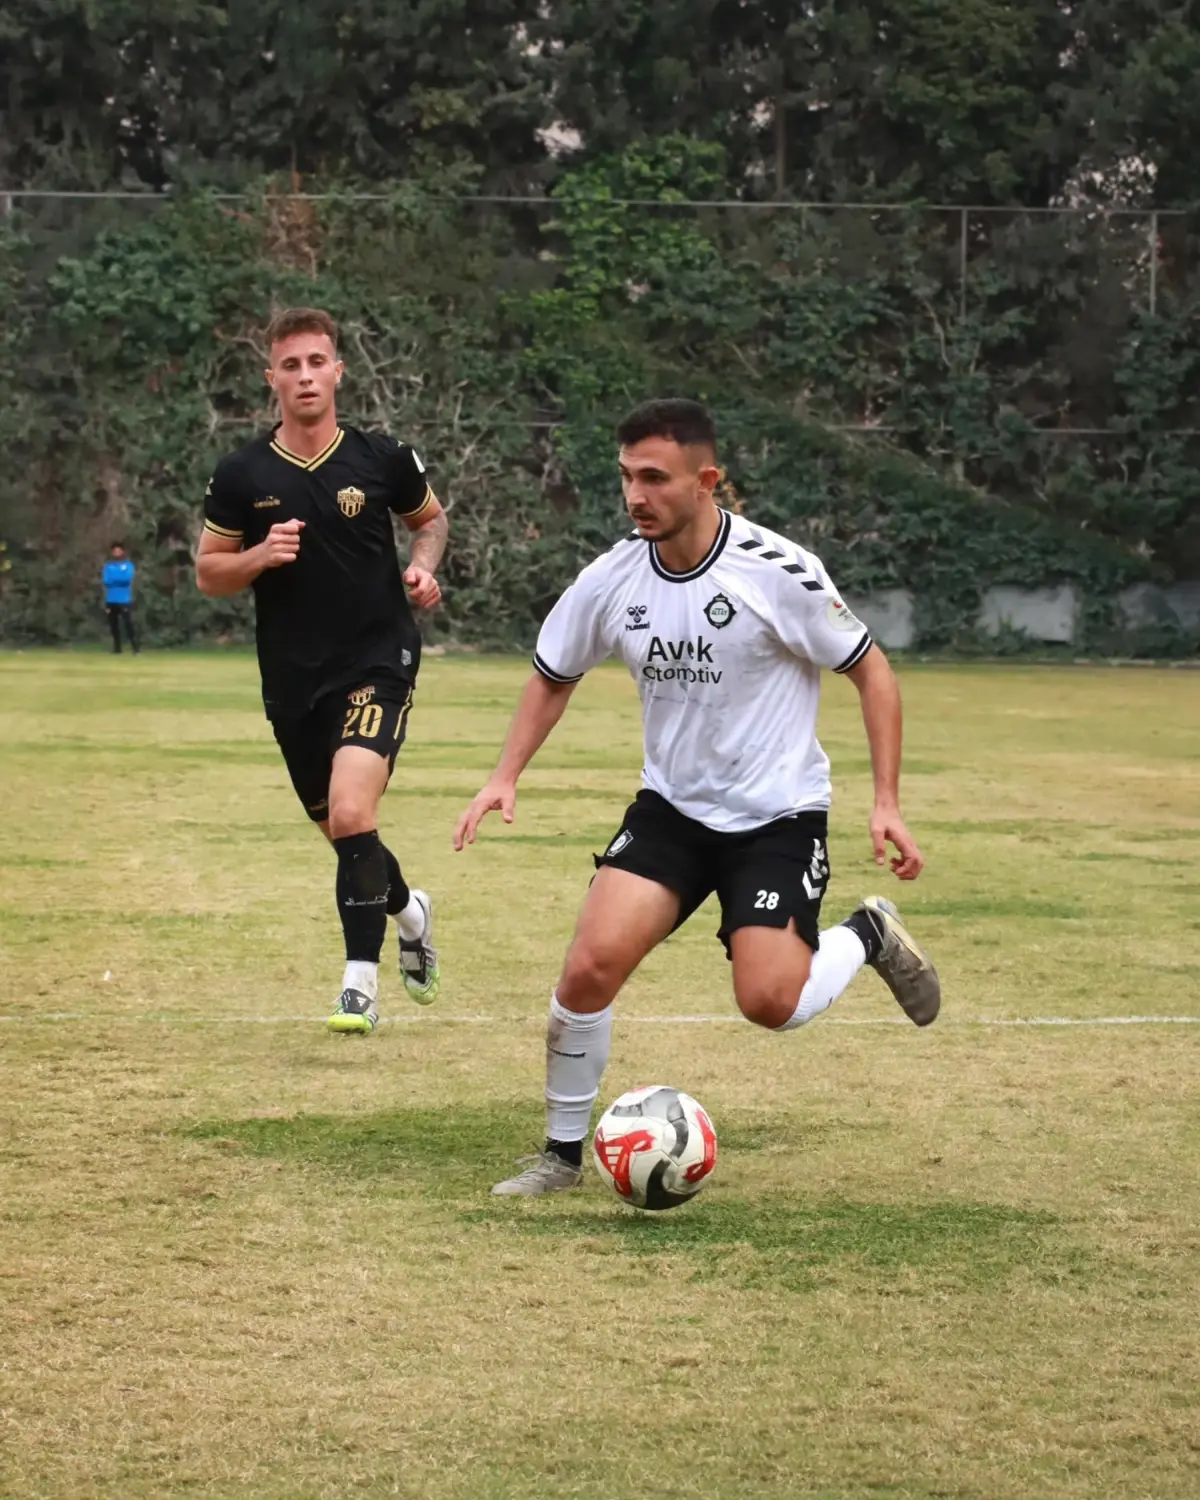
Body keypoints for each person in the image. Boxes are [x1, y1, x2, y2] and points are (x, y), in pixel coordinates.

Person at [454, 398, 940, 1197]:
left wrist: (885, 801)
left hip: (777, 817)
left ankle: (866, 933)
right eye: (625, 478)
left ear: (707, 480)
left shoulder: (775, 572)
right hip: (673, 812)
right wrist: (504, 774)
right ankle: (560, 1157)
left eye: (654, 478)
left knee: (771, 1002)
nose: (635, 496)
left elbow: (871, 670)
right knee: (588, 969)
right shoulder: (612, 578)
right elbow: (552, 675)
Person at [196, 306, 448, 1035]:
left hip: (379, 658)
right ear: (270, 377)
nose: (305, 376)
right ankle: (411, 912)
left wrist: (423, 571)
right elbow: (209, 572)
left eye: (317, 362)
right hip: (293, 679)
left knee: (352, 813)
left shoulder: (381, 457)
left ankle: (358, 988)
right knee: (348, 836)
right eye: (291, 365)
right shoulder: (241, 474)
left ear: (338, 370)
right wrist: (257, 556)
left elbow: (429, 522)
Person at [102, 543, 140, 654]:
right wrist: (119, 579)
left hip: (124, 600)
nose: (117, 553)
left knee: (128, 624)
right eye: (115, 551)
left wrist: (115, 580)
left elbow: (127, 579)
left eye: (119, 551)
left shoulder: (128, 566)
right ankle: (117, 649)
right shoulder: (108, 566)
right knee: (113, 626)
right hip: (111, 600)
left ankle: (136, 648)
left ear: (122, 552)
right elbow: (106, 581)